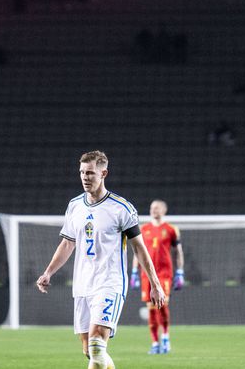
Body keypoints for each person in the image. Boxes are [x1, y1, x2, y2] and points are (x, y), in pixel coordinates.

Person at [35, 150, 166, 369]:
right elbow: (68, 243)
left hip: (109, 283)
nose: (85, 178)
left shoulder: (121, 208)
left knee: (97, 345)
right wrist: (48, 272)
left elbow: (139, 248)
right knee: (89, 351)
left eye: (90, 173)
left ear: (103, 173)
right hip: (83, 284)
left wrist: (155, 283)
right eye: (82, 173)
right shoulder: (75, 205)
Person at [130, 199, 184, 355]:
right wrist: (134, 271)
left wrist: (180, 271)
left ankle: (165, 336)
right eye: (152, 207)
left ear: (164, 210)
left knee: (162, 305)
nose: (154, 210)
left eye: (157, 207)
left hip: (164, 273)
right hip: (147, 274)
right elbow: (138, 251)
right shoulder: (143, 228)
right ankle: (155, 343)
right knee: (151, 309)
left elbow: (178, 252)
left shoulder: (171, 229)